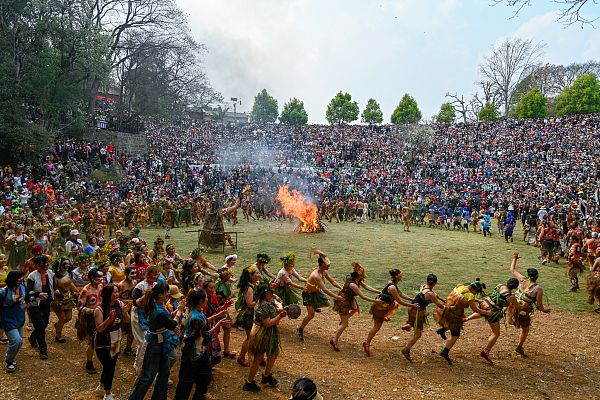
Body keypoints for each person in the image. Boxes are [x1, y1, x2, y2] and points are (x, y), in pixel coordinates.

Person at [174, 288, 228, 400]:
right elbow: (204, 334)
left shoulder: (197, 311)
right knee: (187, 380)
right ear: (200, 301)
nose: (208, 299)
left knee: (205, 375)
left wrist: (217, 316)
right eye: (206, 297)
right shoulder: (195, 317)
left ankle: (199, 396)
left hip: (199, 350)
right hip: (191, 353)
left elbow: (204, 322)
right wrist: (218, 324)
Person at [128, 281, 178, 400]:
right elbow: (171, 324)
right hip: (154, 344)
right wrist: (180, 311)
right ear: (160, 295)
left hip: (161, 342)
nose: (168, 295)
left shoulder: (158, 304)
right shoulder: (158, 309)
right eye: (167, 293)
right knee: (148, 376)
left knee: (164, 373)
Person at [243, 278, 287, 392]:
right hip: (261, 333)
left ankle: (266, 376)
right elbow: (267, 323)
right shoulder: (262, 305)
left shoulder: (269, 301)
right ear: (264, 294)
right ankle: (249, 382)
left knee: (273, 353)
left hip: (270, 332)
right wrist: (280, 316)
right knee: (258, 357)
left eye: (272, 292)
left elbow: (276, 306)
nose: (272, 294)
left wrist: (281, 308)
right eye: (270, 293)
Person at [433, 279, 491, 365]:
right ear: (475, 290)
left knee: (454, 327)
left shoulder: (460, 286)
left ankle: (442, 330)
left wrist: (477, 300)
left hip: (445, 310)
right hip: (453, 315)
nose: (475, 294)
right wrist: (486, 312)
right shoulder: (470, 295)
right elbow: (475, 309)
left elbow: (462, 296)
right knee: (455, 335)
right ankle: (445, 351)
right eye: (476, 292)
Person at [364, 269, 419, 357]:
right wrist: (412, 305)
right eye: (400, 275)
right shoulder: (392, 287)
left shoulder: (393, 284)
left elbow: (400, 294)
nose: (401, 277)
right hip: (380, 308)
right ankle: (366, 344)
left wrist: (412, 299)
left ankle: (384, 317)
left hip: (384, 306)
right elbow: (400, 301)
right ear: (397, 276)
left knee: (394, 305)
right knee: (376, 327)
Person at [465, 278, 519, 364]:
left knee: (482, 313)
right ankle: (486, 352)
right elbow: (518, 307)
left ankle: (466, 319)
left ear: (507, 282)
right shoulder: (511, 297)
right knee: (496, 333)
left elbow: (501, 294)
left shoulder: (500, 285)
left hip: (484, 303)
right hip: (492, 312)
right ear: (515, 287)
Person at [507, 252, 551, 357]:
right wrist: (544, 310)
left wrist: (515, 259)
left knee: (516, 319)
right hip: (523, 309)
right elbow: (540, 305)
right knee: (525, 329)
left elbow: (512, 270)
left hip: (512, 307)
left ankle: (513, 320)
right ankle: (519, 347)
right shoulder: (538, 289)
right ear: (537, 277)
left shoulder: (522, 280)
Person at [330, 263, 381, 352]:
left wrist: (378, 291)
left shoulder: (356, 280)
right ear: (360, 275)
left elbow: (366, 287)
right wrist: (375, 301)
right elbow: (363, 297)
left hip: (348, 300)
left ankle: (343, 320)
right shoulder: (353, 284)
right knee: (345, 325)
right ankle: (334, 341)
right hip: (343, 302)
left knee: (355, 310)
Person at [93, 284, 131, 400]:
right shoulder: (99, 309)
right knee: (109, 366)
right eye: (114, 292)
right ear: (107, 295)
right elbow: (99, 328)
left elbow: (127, 320)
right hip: (103, 342)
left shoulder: (119, 304)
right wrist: (108, 321)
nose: (117, 294)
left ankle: (101, 386)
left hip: (115, 339)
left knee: (111, 365)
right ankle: (107, 393)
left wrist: (124, 313)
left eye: (117, 292)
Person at [297, 249, 343, 341]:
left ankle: (314, 306)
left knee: (326, 303)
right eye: (327, 265)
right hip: (308, 294)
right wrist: (336, 297)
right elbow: (325, 289)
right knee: (311, 315)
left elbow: (333, 281)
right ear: (322, 265)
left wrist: (341, 288)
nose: (329, 266)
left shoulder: (324, 272)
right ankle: (300, 329)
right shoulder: (316, 275)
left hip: (316, 292)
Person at [400, 273, 444, 363]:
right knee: (418, 334)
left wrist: (441, 298)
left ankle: (409, 325)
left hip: (411, 308)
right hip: (417, 313)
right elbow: (439, 305)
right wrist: (448, 306)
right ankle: (406, 349)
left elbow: (433, 294)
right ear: (435, 283)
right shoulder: (430, 294)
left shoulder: (423, 286)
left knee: (414, 324)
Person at [26, 255, 54, 360]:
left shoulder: (50, 273)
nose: (45, 267)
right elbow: (28, 292)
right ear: (37, 265)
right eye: (43, 265)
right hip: (34, 305)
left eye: (47, 264)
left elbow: (53, 287)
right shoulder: (32, 276)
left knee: (44, 324)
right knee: (41, 328)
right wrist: (38, 294)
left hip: (46, 304)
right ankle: (43, 349)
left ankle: (33, 338)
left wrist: (58, 294)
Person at [234, 264, 262, 367]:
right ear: (250, 276)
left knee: (257, 337)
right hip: (248, 316)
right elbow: (250, 304)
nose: (259, 274)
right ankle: (241, 357)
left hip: (253, 315)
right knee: (249, 337)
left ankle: (260, 357)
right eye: (257, 273)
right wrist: (260, 298)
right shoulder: (248, 288)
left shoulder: (254, 284)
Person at [0, 270, 27, 372]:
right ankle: (8, 361)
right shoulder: (3, 292)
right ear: (12, 279)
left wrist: (37, 297)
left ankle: (11, 358)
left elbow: (25, 300)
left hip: (19, 319)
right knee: (16, 340)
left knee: (19, 343)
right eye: (18, 277)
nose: (20, 279)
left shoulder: (22, 288)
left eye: (21, 277)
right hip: (8, 320)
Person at [51, 257, 78, 343]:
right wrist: (58, 294)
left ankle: (58, 325)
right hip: (58, 300)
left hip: (68, 298)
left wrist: (77, 291)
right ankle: (58, 335)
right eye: (65, 264)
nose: (67, 265)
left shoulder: (68, 273)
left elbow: (70, 283)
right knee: (62, 318)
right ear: (60, 265)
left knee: (69, 318)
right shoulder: (55, 276)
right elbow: (54, 289)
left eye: (68, 264)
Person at [118, 266, 137, 356]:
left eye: (135, 273)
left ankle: (128, 348)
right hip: (123, 309)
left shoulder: (135, 282)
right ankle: (116, 347)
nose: (134, 275)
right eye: (132, 273)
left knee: (131, 329)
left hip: (132, 309)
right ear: (126, 274)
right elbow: (117, 298)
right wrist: (127, 302)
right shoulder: (121, 285)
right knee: (120, 328)